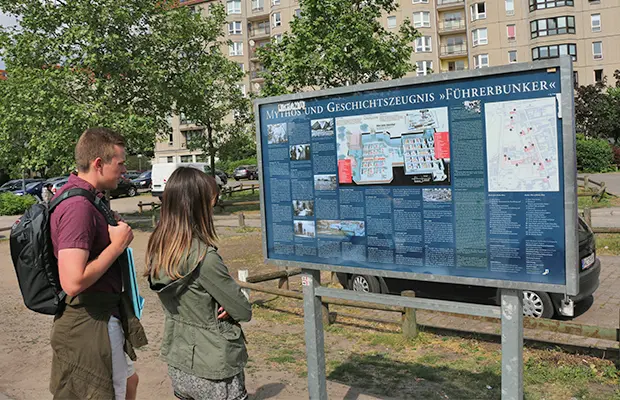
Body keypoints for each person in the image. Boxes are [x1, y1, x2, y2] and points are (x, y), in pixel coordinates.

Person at [49, 127, 147, 399]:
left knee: (130, 383)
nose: (125, 170)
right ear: (98, 164)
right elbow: (72, 281)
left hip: (103, 316)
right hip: (90, 324)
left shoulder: (90, 200)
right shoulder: (78, 207)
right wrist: (117, 246)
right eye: (120, 163)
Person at [146, 167, 252, 400]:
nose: (213, 207)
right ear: (198, 206)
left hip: (180, 361)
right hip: (214, 368)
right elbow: (243, 310)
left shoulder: (159, 250)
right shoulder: (205, 257)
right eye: (211, 202)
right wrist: (233, 301)